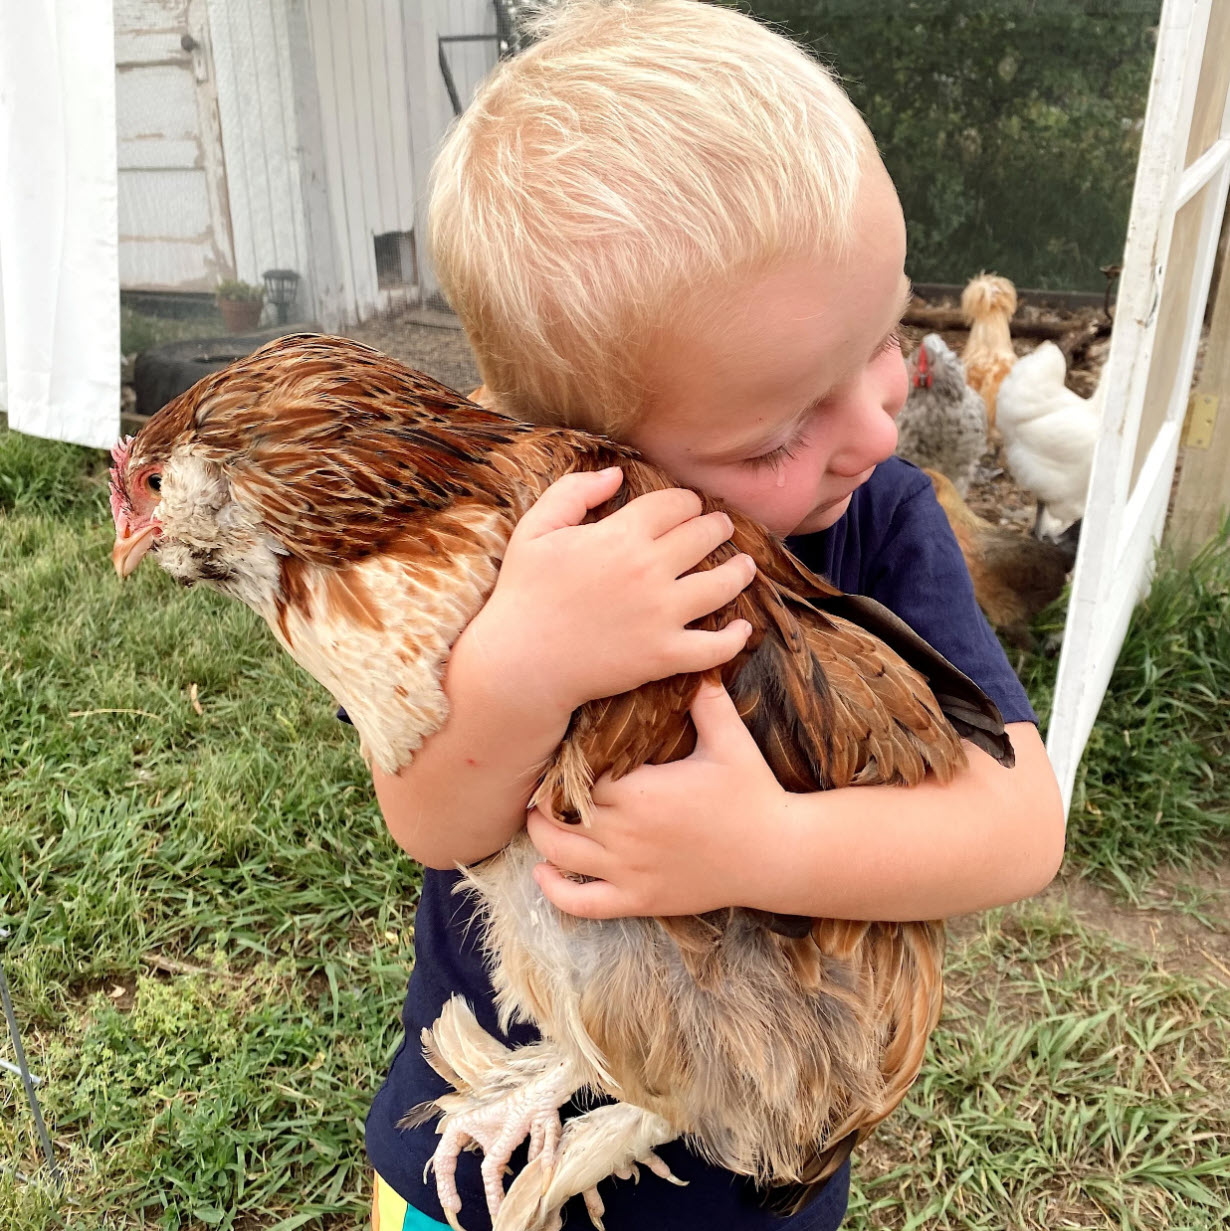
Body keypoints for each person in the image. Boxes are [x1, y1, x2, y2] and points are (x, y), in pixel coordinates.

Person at [365, 2, 1066, 1228]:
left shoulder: (880, 521)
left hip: (734, 1161)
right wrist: (522, 662)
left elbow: (1017, 827)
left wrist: (762, 849)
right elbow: (429, 821)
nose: (873, 429)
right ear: (588, 447)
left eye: (887, 338)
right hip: (481, 1145)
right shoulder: (494, 551)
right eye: (777, 432)